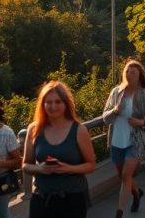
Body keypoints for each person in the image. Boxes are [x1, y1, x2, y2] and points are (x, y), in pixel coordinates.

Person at [22, 81, 96, 218]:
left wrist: (68, 168)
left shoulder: (79, 130)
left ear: (66, 104)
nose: (53, 106)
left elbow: (91, 165)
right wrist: (40, 169)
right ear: (42, 104)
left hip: (72, 198)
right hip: (42, 198)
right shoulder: (34, 129)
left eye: (58, 102)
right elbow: (25, 165)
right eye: (48, 102)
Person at [103, 60, 145, 217]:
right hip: (116, 140)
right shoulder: (116, 92)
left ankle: (119, 212)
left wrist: (140, 122)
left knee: (126, 175)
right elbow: (105, 117)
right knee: (123, 176)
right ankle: (137, 193)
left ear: (139, 75)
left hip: (135, 141)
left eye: (133, 72)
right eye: (126, 71)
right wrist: (115, 110)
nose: (128, 74)